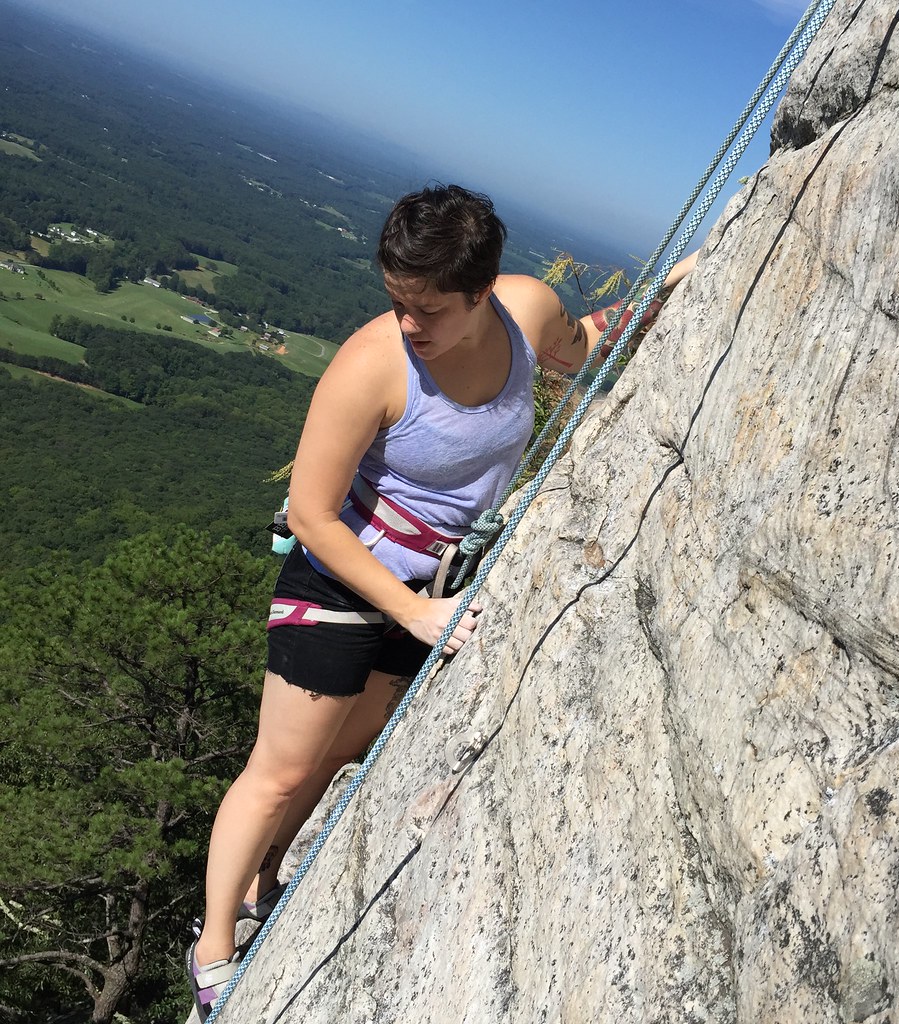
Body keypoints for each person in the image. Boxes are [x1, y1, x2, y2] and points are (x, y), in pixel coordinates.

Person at [188, 183, 697, 1020]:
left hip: (434, 592)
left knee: (334, 757)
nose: (409, 324)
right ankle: (212, 952)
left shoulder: (525, 311)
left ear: (482, 291)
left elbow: (586, 345)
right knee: (279, 770)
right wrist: (414, 610)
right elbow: (314, 515)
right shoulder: (374, 363)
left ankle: (266, 883)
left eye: (427, 309)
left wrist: (680, 280)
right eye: (396, 301)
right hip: (346, 579)